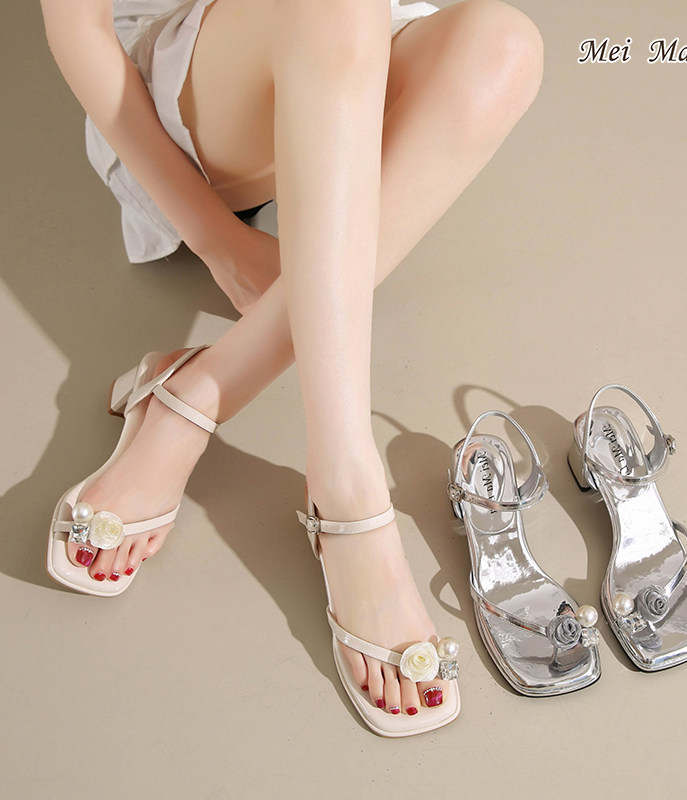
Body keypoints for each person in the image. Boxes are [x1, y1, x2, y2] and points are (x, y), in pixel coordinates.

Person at [41, 0, 543, 733]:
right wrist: (219, 244)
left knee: (507, 45)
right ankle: (347, 486)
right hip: (188, 92)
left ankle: (197, 390)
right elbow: (75, 31)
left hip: (347, 56)